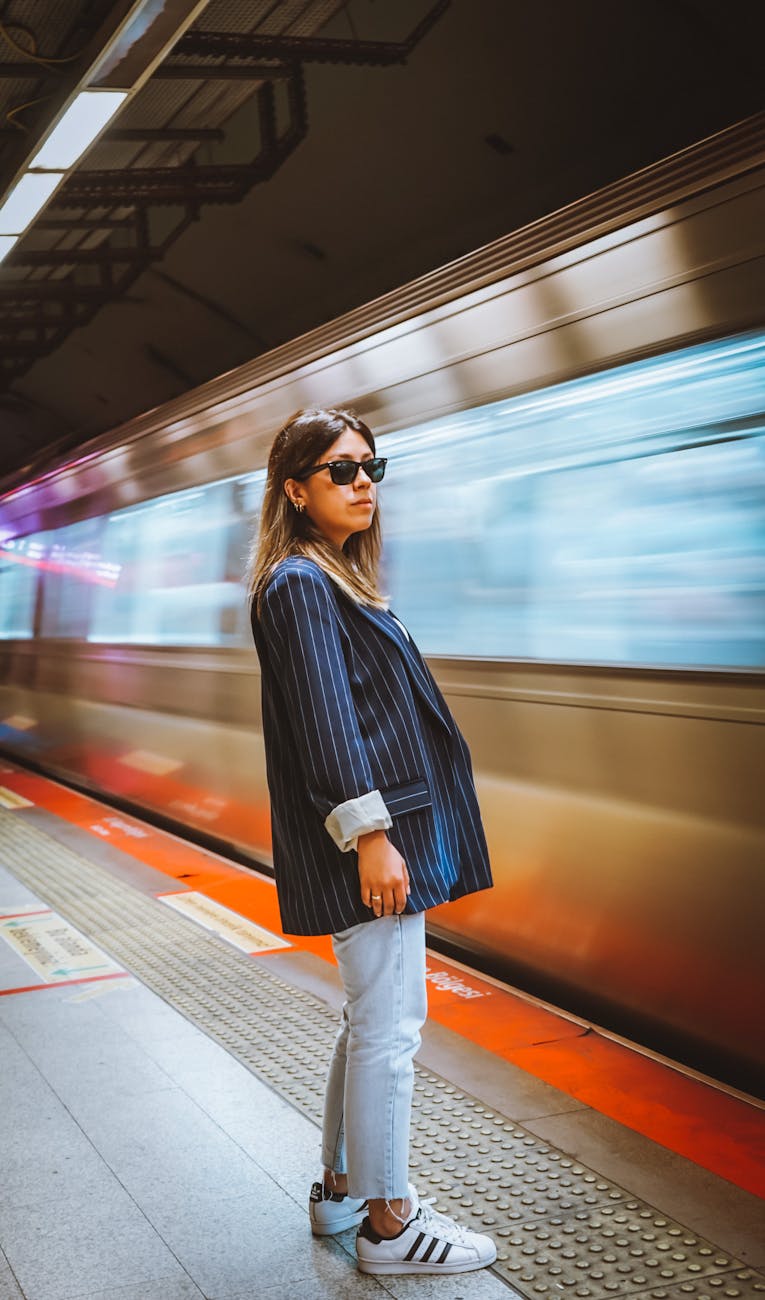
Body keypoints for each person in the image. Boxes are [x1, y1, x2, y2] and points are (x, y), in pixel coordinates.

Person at [247, 407, 496, 1276]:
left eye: (370, 468)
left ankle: (343, 1191)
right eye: (340, 471)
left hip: (373, 835)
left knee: (369, 1024)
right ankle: (390, 1227)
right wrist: (370, 838)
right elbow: (328, 727)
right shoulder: (303, 586)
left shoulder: (326, 578)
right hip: (369, 841)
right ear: (295, 489)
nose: (362, 485)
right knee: (391, 1030)